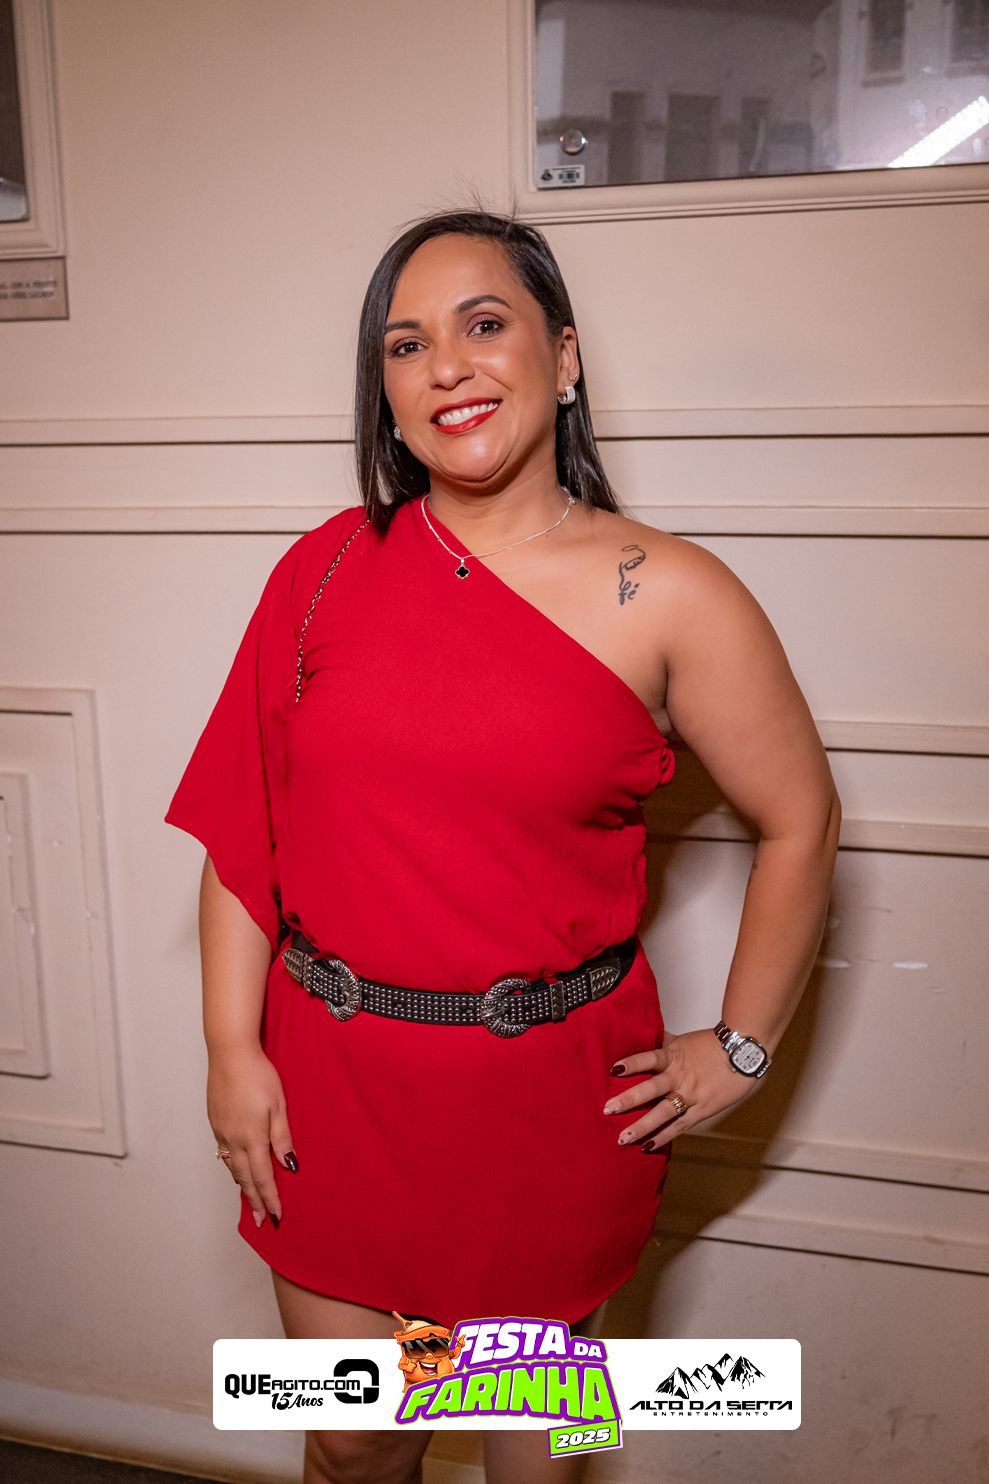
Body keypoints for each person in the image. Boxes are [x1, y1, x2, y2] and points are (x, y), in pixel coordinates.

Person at [164, 208, 841, 1484]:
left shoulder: (667, 592)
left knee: (532, 1463)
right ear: (385, 389)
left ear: (563, 356)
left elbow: (801, 818)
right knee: (354, 1440)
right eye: (405, 344)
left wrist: (741, 1044)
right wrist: (228, 1049)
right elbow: (244, 831)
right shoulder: (320, 571)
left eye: (484, 324)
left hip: (544, 1119)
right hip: (334, 1106)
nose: (447, 367)